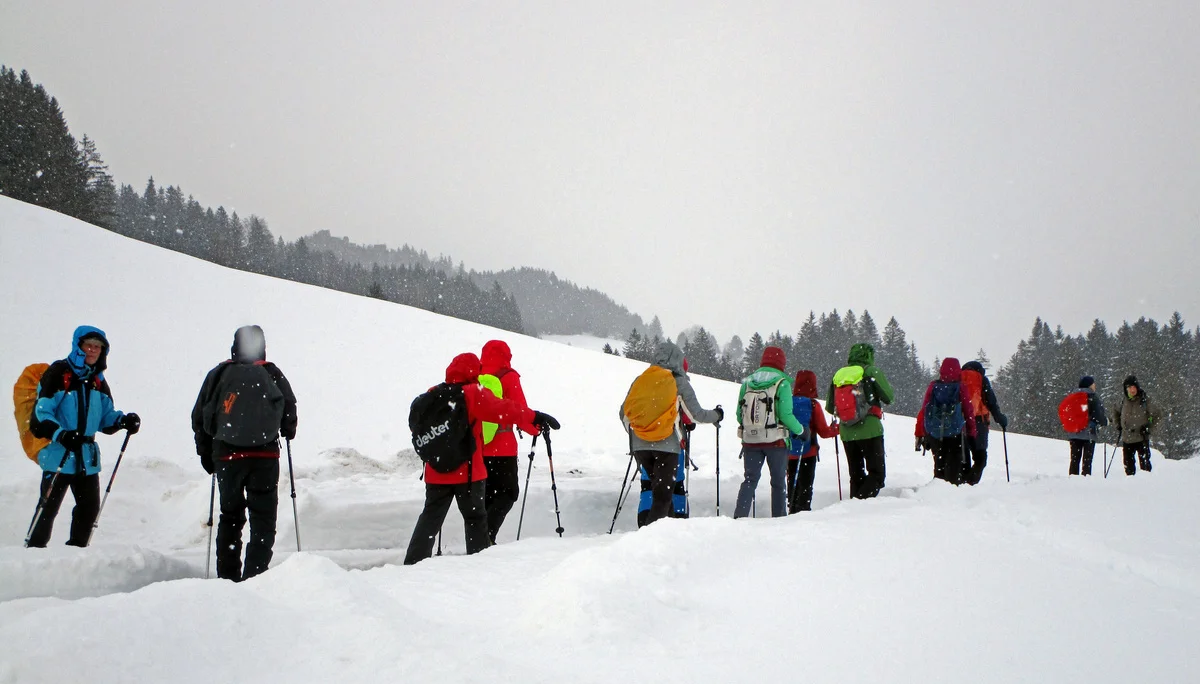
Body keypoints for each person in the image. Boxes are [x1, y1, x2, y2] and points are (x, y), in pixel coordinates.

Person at [405, 352, 559, 564]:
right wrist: (534, 416)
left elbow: (417, 426)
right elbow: (504, 410)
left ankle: (413, 563)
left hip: (436, 471)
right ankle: (479, 567)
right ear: (473, 372)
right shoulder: (472, 393)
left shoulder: (431, 395)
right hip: (468, 474)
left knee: (430, 518)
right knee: (475, 519)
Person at [191, 325, 297, 581]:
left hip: (227, 456)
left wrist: (206, 452)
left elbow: (199, 415)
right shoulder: (271, 372)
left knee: (230, 516)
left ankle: (228, 577)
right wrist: (287, 431)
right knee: (263, 519)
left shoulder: (218, 374)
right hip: (265, 457)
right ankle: (255, 575)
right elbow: (289, 411)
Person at [27, 326, 139, 547]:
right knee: (48, 508)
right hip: (60, 453)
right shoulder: (59, 373)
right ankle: (34, 552)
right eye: (88, 345)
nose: (93, 350)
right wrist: (62, 434)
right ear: (78, 346)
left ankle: (76, 552)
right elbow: (42, 413)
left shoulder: (97, 380)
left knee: (89, 509)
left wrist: (122, 420)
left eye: (98, 347)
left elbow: (105, 416)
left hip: (87, 457)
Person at [620, 340, 721, 527]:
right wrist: (717, 415)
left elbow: (623, 413)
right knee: (663, 497)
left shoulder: (641, 379)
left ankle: (672, 534)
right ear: (677, 359)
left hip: (641, 448)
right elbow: (696, 415)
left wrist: (639, 434)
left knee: (660, 492)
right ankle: (647, 541)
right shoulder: (678, 381)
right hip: (667, 446)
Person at [734, 346, 806, 518]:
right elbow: (786, 415)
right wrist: (801, 430)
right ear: (782, 363)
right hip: (776, 441)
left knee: (750, 480)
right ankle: (779, 518)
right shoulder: (782, 383)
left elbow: (739, 415)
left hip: (750, 440)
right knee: (778, 482)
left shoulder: (748, 383)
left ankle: (739, 517)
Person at [478, 340, 531, 543]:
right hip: (503, 447)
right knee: (508, 494)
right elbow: (520, 410)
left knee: (486, 497)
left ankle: (480, 539)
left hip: (478, 447)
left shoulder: (477, 376)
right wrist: (534, 427)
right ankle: (486, 538)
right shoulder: (508, 377)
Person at [826, 343, 894, 499]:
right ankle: (860, 504)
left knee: (856, 475)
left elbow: (830, 406)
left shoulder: (840, 375)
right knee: (877, 475)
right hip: (870, 428)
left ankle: (853, 510)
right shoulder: (870, 371)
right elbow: (889, 397)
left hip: (847, 432)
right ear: (870, 356)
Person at [915, 358, 977, 485]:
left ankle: (937, 487)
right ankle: (950, 491)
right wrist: (971, 431)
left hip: (935, 432)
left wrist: (922, 431)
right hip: (955, 433)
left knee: (939, 462)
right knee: (954, 464)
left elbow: (925, 409)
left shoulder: (933, 386)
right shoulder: (960, 387)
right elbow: (968, 410)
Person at [787, 370, 839, 513]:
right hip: (808, 452)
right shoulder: (813, 405)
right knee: (806, 486)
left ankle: (791, 510)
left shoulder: (787, 402)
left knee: (793, 484)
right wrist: (836, 429)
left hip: (789, 452)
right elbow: (824, 431)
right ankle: (803, 512)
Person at [959, 360, 1008, 485]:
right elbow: (991, 402)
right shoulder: (982, 380)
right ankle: (971, 482)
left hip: (960, 422)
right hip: (979, 422)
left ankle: (963, 483)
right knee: (980, 458)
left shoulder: (958, 378)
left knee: (964, 457)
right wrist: (1000, 419)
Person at [1113, 375, 1158, 475]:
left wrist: (1148, 427)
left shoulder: (1145, 400)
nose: (1132, 390)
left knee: (1145, 467)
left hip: (1141, 437)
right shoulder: (1122, 401)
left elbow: (1156, 415)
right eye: (1129, 388)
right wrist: (1118, 424)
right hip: (1127, 438)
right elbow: (1115, 411)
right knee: (1128, 466)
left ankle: (1146, 485)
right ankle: (1130, 486)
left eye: (1133, 387)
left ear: (1137, 387)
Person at [1067, 376, 1107, 476]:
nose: (1095, 385)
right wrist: (1106, 421)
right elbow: (1098, 416)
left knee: (1074, 460)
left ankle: (1072, 478)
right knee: (1087, 461)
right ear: (1089, 385)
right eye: (1093, 383)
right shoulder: (1093, 397)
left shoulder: (1073, 396)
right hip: (1089, 434)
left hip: (1074, 433)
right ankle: (1085, 480)